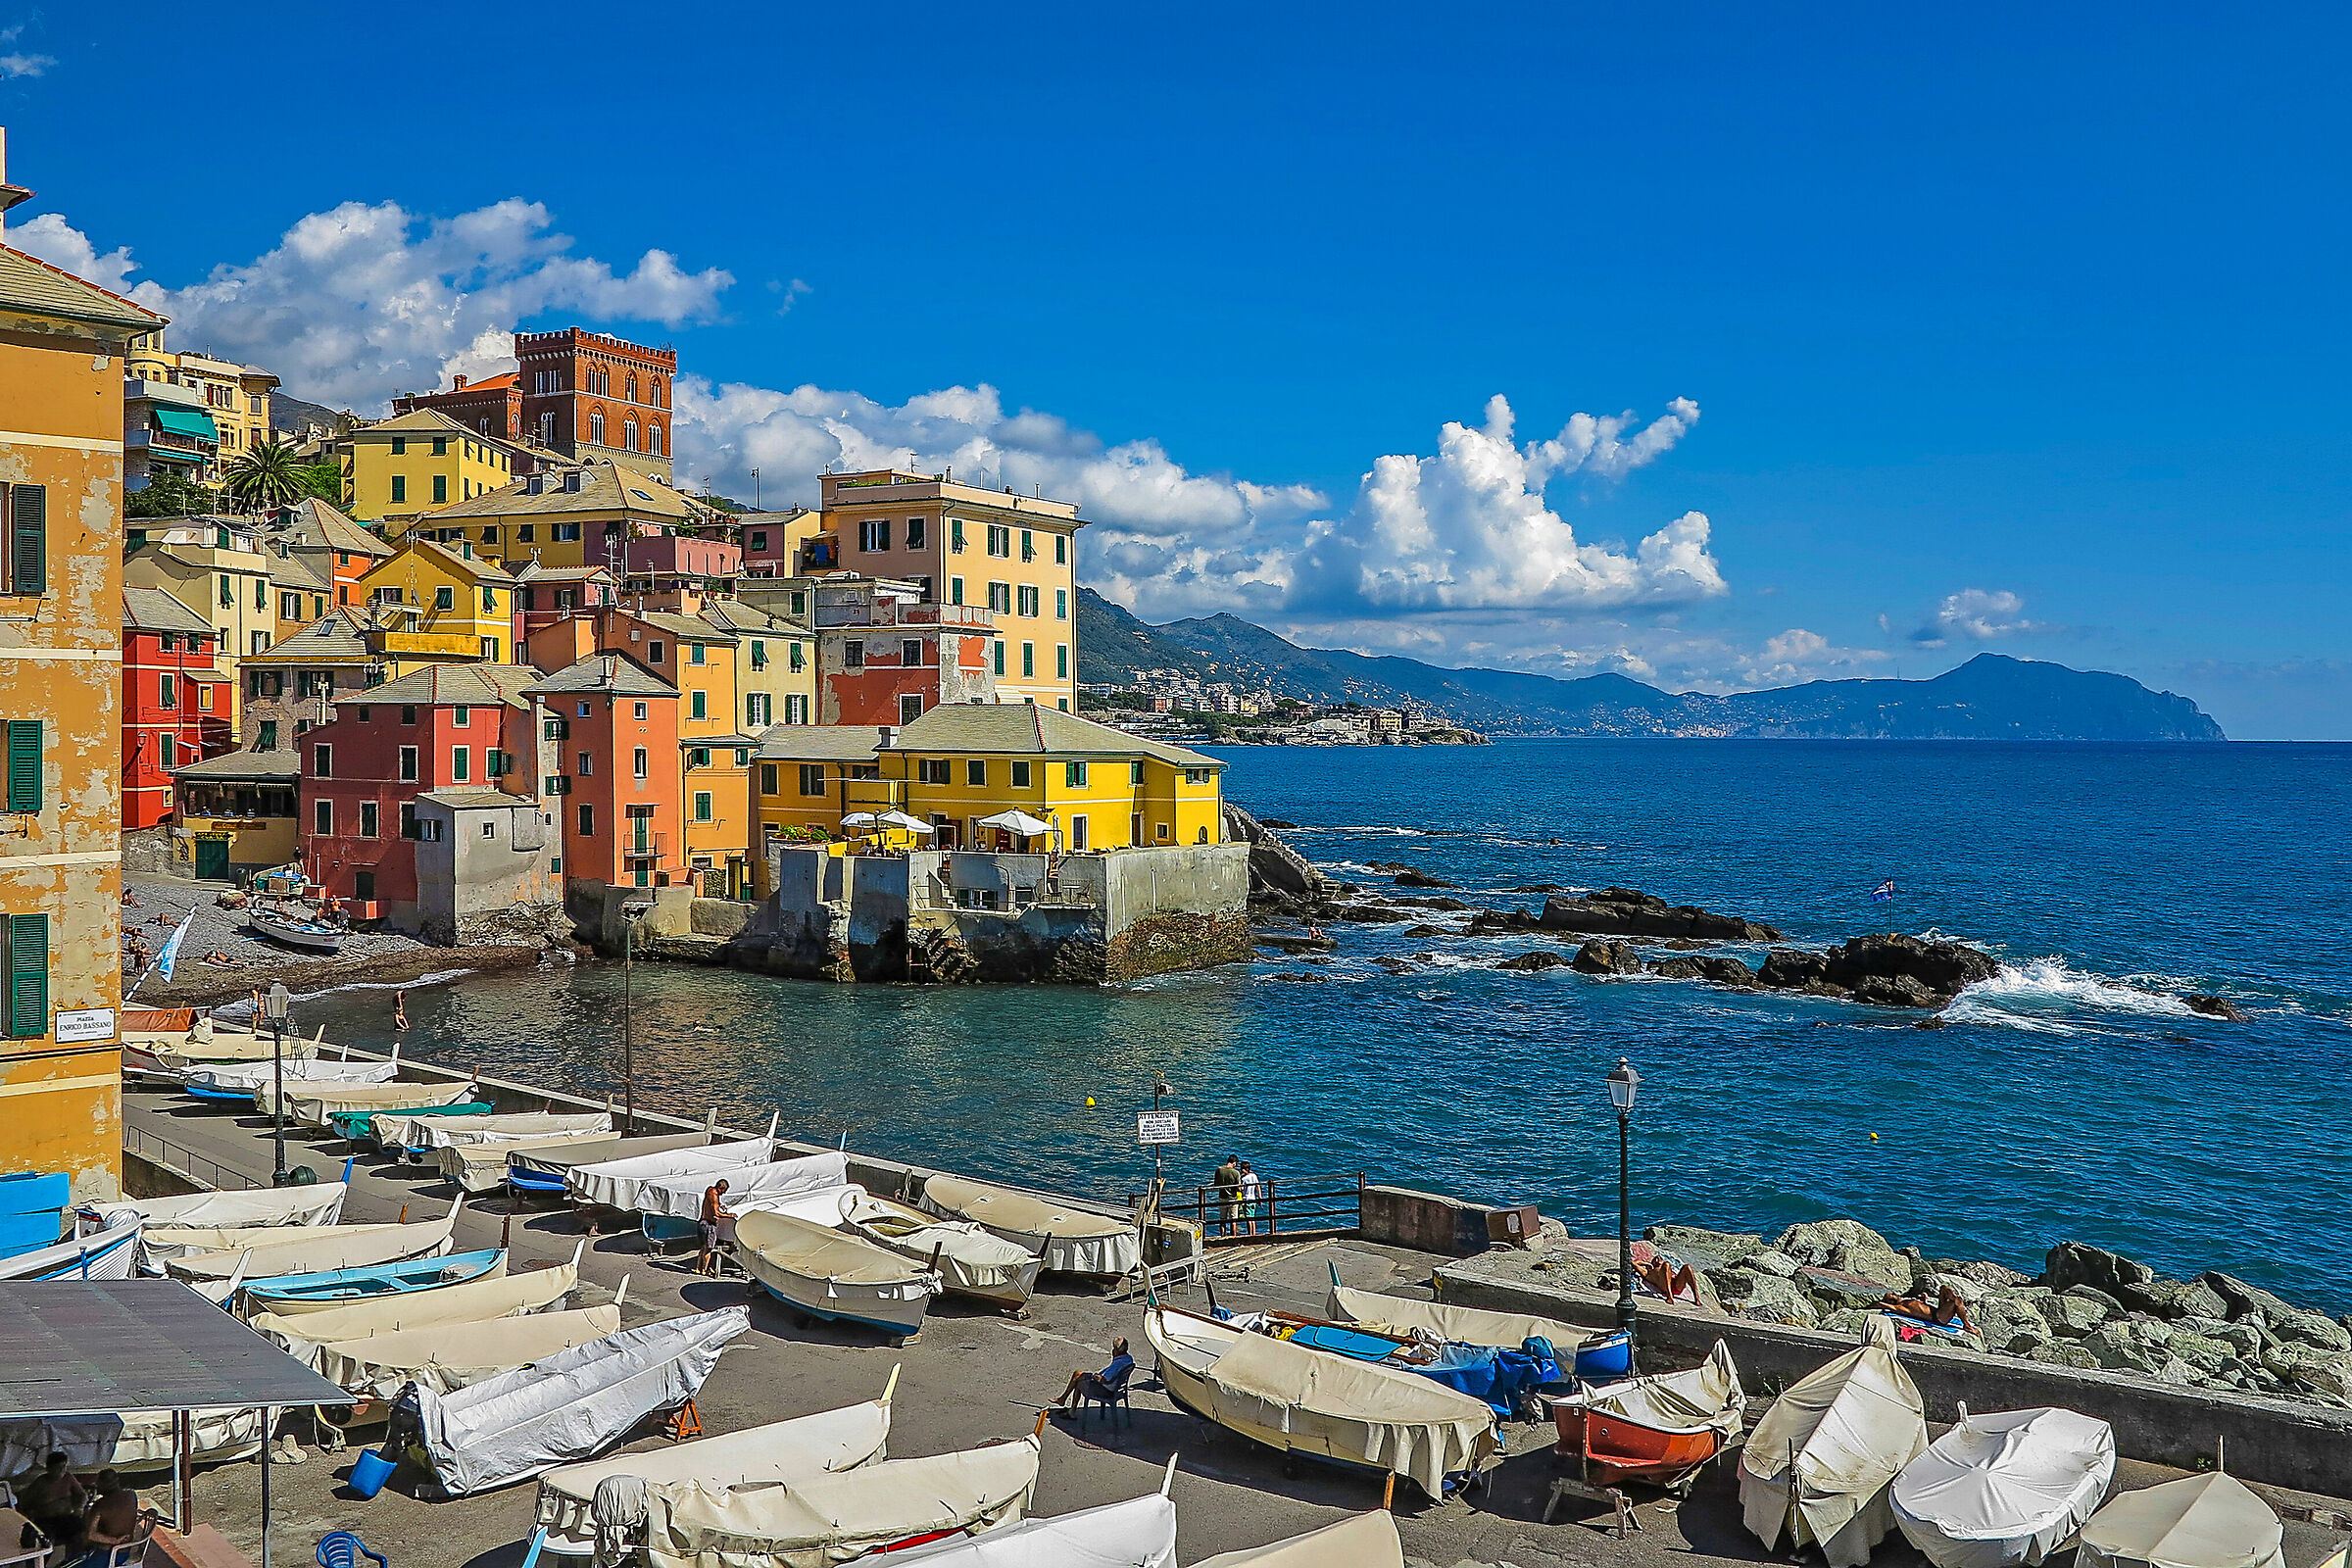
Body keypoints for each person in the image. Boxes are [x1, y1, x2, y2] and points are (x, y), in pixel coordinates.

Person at [1050, 1338, 1135, 1409]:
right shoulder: (1128, 1359)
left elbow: (1103, 1379)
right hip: (1115, 1388)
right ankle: (1065, 1402)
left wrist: (1095, 1376)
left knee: (1078, 1378)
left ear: (1116, 1350)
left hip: (1106, 1390)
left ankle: (1068, 1405)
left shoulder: (1117, 1364)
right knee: (1078, 1375)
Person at [18, 1452, 84, 1541]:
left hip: (66, 1517)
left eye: (64, 1466)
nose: (62, 1470)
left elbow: (82, 1494)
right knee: (47, 1538)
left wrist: (79, 1508)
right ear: (49, 1469)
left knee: (82, 1531)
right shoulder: (40, 1482)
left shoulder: (68, 1477)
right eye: (58, 1467)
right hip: (46, 1520)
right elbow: (25, 1503)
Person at [697, 1179, 730, 1276]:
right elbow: (716, 1213)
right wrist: (730, 1215)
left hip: (702, 1222)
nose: (724, 1193)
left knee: (703, 1247)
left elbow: (713, 1204)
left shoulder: (709, 1190)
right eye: (724, 1191)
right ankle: (705, 1270)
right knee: (709, 1249)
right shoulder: (715, 1196)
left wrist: (720, 1205)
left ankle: (698, 1268)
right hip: (709, 1225)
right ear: (720, 1188)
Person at [1210, 1154, 1242, 1237]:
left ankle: (1222, 1236)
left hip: (1222, 1197)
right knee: (1233, 1220)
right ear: (1234, 1163)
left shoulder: (1219, 1170)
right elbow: (1238, 1188)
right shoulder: (1236, 1172)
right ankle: (1233, 1237)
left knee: (1222, 1220)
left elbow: (1216, 1184)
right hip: (1233, 1198)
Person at [1238, 1161, 1263, 1236]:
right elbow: (1258, 1186)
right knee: (1252, 1217)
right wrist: (1260, 1197)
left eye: (1242, 1168)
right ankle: (1254, 1233)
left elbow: (1241, 1189)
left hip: (1246, 1199)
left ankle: (1250, 1234)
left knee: (1248, 1218)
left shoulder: (1244, 1178)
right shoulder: (1254, 1176)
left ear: (1246, 1169)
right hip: (1253, 1198)